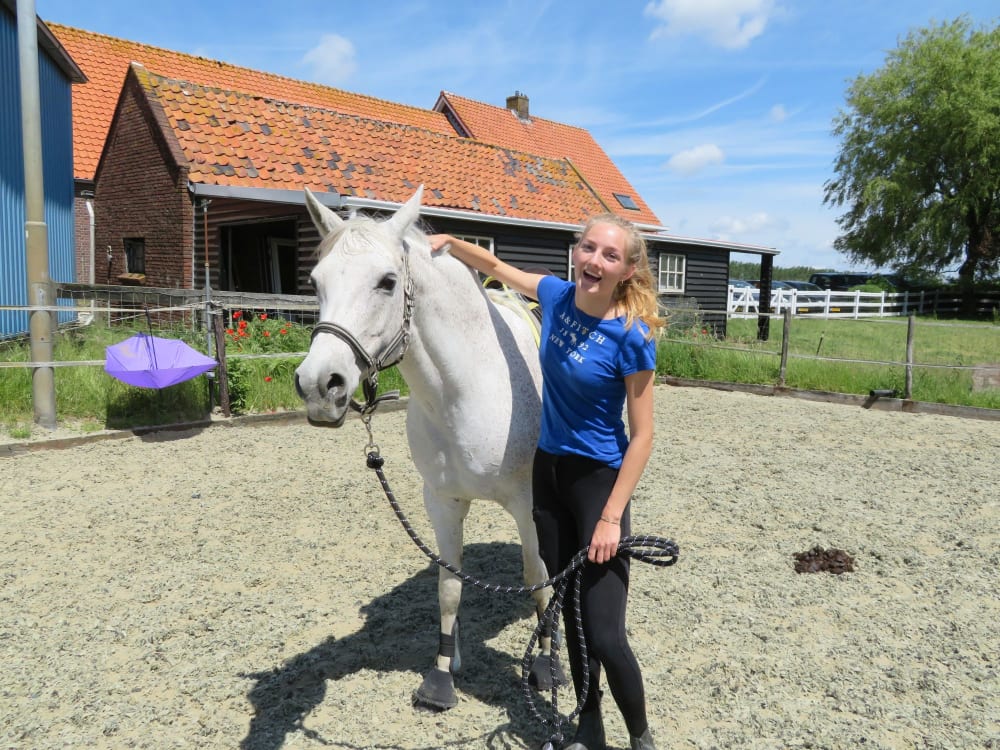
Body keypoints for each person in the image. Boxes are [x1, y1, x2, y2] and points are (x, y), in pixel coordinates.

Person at [429, 214, 664, 750]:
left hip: (597, 483)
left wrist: (610, 517)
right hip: (548, 475)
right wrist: (447, 241)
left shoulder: (631, 335)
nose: (594, 261)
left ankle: (642, 738)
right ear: (576, 253)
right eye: (588, 249)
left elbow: (644, 436)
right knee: (572, 616)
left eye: (609, 255)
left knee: (605, 632)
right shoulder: (557, 297)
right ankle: (590, 730)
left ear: (627, 269)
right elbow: (494, 266)